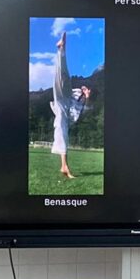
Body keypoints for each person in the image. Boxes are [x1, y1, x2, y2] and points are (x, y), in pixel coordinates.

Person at [50, 31, 91, 179]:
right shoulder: (74, 92)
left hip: (65, 110)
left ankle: (64, 166)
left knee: (63, 134)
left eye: (86, 90)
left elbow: (83, 110)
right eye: (84, 89)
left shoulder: (81, 101)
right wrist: (83, 93)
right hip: (63, 101)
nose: (84, 89)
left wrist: (86, 97)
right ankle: (62, 49)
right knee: (63, 77)